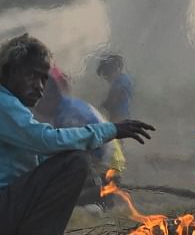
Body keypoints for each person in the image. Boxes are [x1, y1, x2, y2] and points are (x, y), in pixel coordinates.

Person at [0, 34, 156, 235]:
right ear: (10, 73)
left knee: (72, 161)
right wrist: (111, 129)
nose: (40, 87)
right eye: (32, 76)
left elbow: (42, 157)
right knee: (74, 162)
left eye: (43, 79)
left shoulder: (9, 108)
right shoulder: (1, 105)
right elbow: (46, 140)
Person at [33, 66, 126, 210]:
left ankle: (99, 192)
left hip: (107, 164)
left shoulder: (70, 118)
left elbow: (91, 151)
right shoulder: (64, 108)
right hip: (104, 158)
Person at [96, 54, 134, 123]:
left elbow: (113, 99)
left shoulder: (122, 82)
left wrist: (104, 105)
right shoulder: (121, 80)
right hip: (119, 116)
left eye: (107, 74)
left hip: (119, 118)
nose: (106, 78)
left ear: (115, 69)